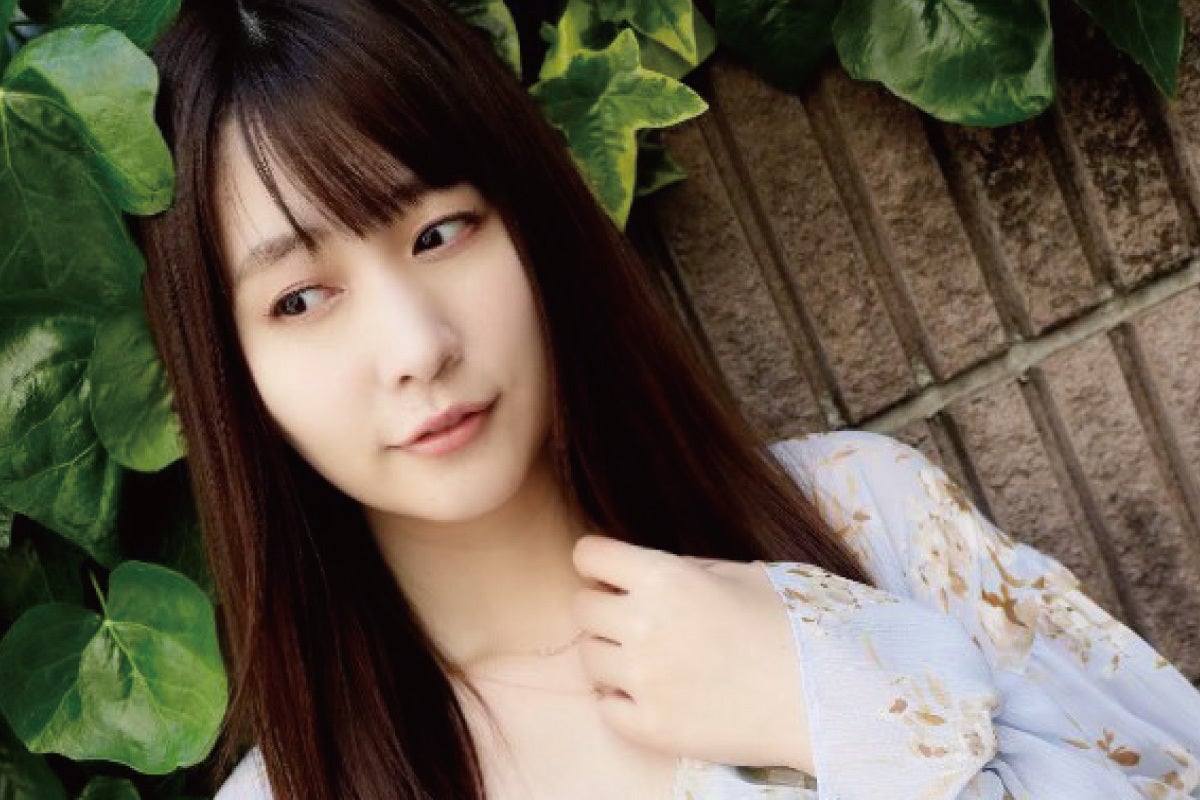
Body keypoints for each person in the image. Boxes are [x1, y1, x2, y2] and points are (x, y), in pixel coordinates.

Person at [131, 0, 1200, 798]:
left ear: (533, 222)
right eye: (301, 298)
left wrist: (835, 700)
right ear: (230, 370)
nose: (417, 346)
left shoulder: (868, 518)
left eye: (440, 233)